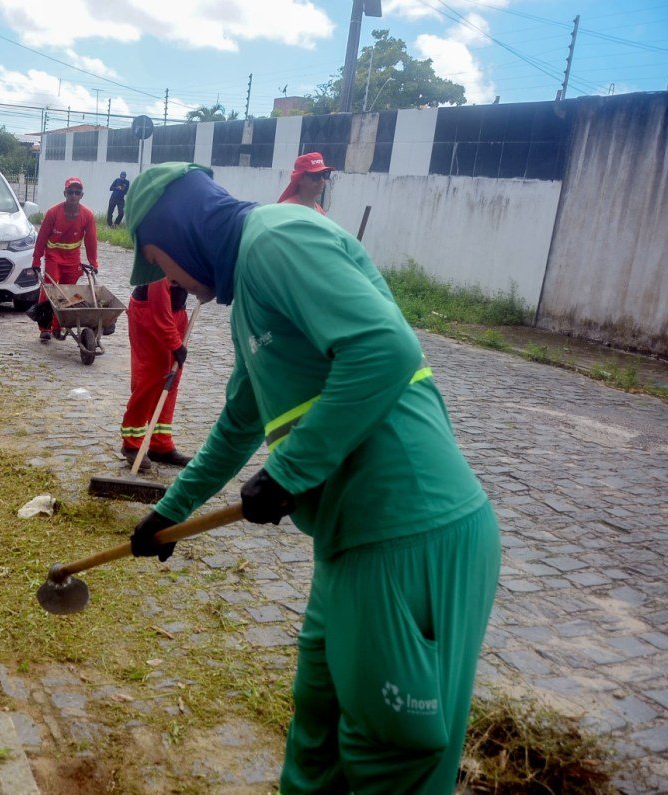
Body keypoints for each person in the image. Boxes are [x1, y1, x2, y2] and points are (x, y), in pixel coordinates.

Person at [125, 162, 501, 794]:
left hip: (407, 529)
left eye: (161, 264)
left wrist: (289, 472)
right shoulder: (250, 291)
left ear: (176, 233)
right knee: (317, 729)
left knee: (391, 750)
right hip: (350, 541)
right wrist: (171, 515)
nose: (171, 282)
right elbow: (238, 423)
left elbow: (385, 349)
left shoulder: (276, 239)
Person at [121, 278, 192, 470]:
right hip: (149, 311)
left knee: (172, 378)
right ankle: (132, 443)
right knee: (150, 377)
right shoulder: (164, 253)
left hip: (176, 311)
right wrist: (175, 343)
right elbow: (158, 306)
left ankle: (160, 444)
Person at [32, 177, 98, 343]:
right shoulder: (53, 213)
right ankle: (45, 327)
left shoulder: (87, 215)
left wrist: (93, 262)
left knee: (68, 293)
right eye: (70, 192)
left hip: (73, 259)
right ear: (65, 193)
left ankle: (57, 326)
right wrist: (36, 260)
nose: (73, 195)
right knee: (51, 289)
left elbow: (91, 241)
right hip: (54, 256)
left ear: (81, 195)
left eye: (77, 192)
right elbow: (41, 239)